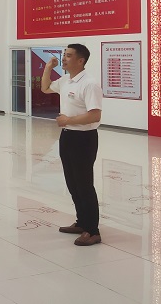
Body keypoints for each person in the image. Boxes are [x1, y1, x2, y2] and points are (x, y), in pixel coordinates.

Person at [41, 43, 102, 247]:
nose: (64, 58)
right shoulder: (66, 80)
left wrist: (68, 120)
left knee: (84, 184)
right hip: (67, 136)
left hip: (84, 138)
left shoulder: (89, 84)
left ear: (80, 60)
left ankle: (92, 231)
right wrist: (48, 68)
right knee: (72, 183)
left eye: (68, 55)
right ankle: (82, 222)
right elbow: (45, 88)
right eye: (64, 54)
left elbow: (95, 115)